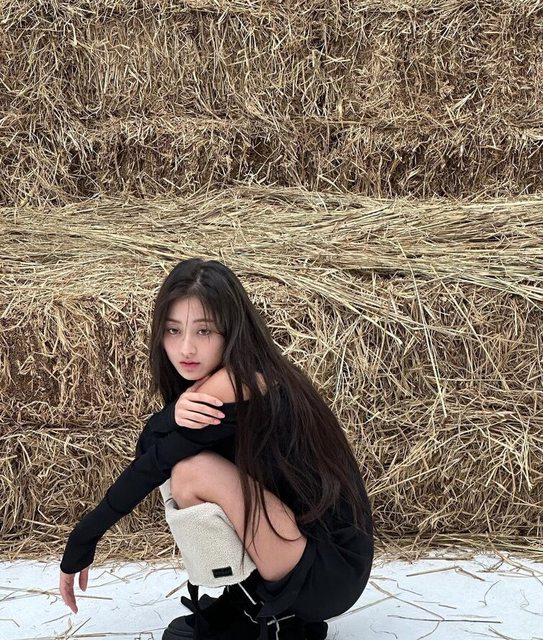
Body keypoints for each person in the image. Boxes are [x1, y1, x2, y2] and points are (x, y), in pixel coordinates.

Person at [59, 258, 374, 639]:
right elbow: (152, 449)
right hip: (325, 561)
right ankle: (250, 603)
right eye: (173, 330)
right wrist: (171, 415)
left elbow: (152, 464)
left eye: (204, 331)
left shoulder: (235, 383)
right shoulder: (245, 372)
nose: (186, 347)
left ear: (231, 332)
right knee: (189, 469)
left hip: (325, 572)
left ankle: (275, 617)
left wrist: (84, 538)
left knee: (190, 474)